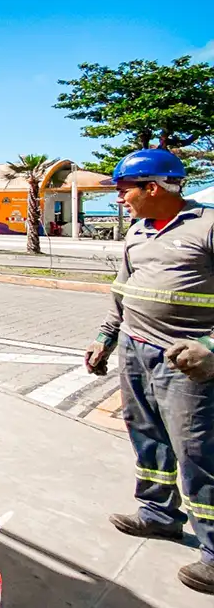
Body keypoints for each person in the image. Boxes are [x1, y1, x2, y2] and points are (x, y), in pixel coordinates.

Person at [84, 148, 214, 596]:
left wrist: (210, 347)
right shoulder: (138, 232)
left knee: (198, 451)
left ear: (152, 188)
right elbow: (123, 289)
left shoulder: (207, 227)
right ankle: (158, 515)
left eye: (124, 190)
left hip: (188, 364)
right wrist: (105, 338)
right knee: (148, 437)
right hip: (135, 353)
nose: (120, 199)